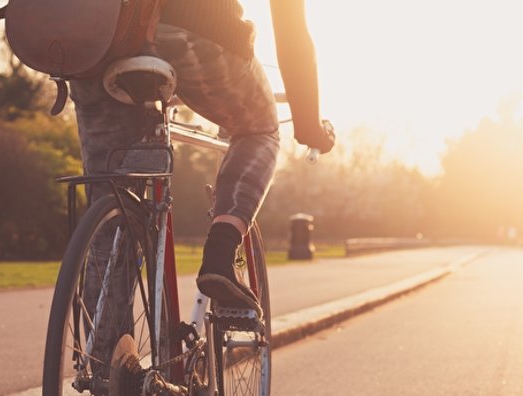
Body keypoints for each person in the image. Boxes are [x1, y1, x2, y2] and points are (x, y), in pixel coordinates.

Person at [71, 0, 335, 317]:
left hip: (90, 38)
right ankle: (221, 251)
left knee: (110, 207)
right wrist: (309, 125)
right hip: (193, 29)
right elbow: (291, 27)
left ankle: (100, 359)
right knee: (259, 130)